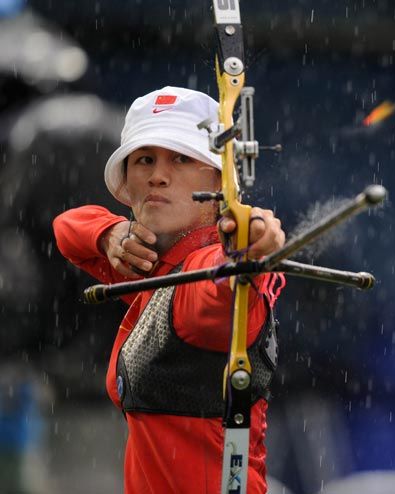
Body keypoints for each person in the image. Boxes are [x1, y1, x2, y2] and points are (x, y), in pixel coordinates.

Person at [52, 86, 286, 494]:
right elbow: (67, 228)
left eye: (181, 157)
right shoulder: (150, 266)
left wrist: (248, 255)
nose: (158, 174)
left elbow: (221, 289)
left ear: (219, 178)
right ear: (128, 180)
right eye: (145, 160)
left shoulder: (197, 271)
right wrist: (110, 234)